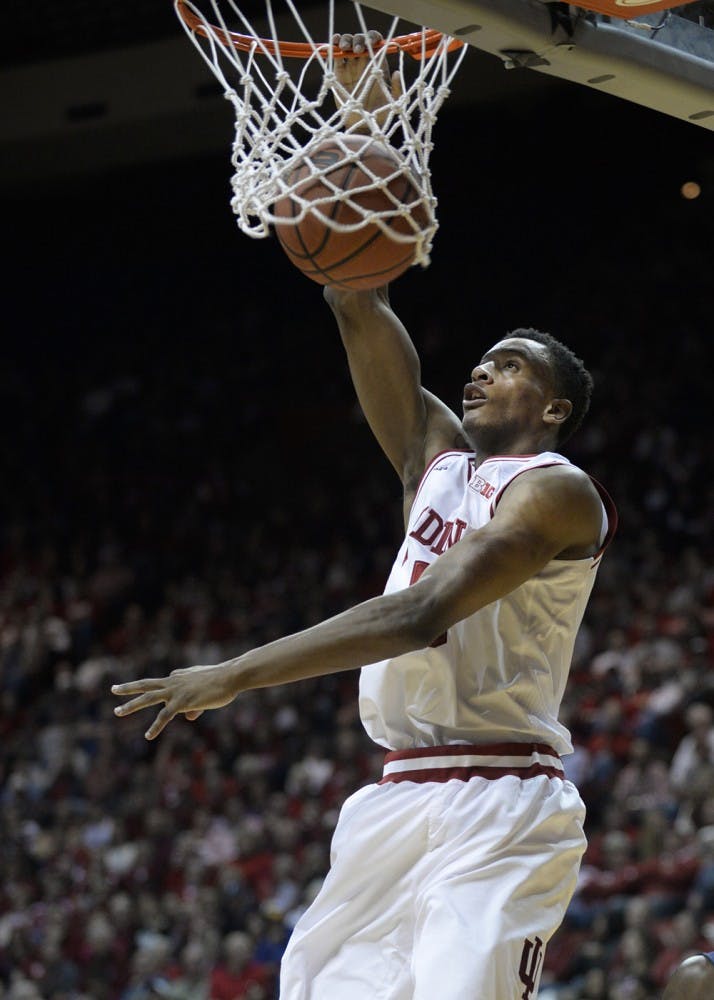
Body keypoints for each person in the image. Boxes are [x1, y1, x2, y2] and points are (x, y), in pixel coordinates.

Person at [112, 34, 617, 1000]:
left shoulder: (558, 489)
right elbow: (354, 295)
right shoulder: (434, 459)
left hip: (503, 798)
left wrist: (232, 674)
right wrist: (363, 123)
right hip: (392, 799)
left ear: (554, 407)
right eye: (482, 357)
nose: (482, 368)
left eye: (510, 364)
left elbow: (422, 614)